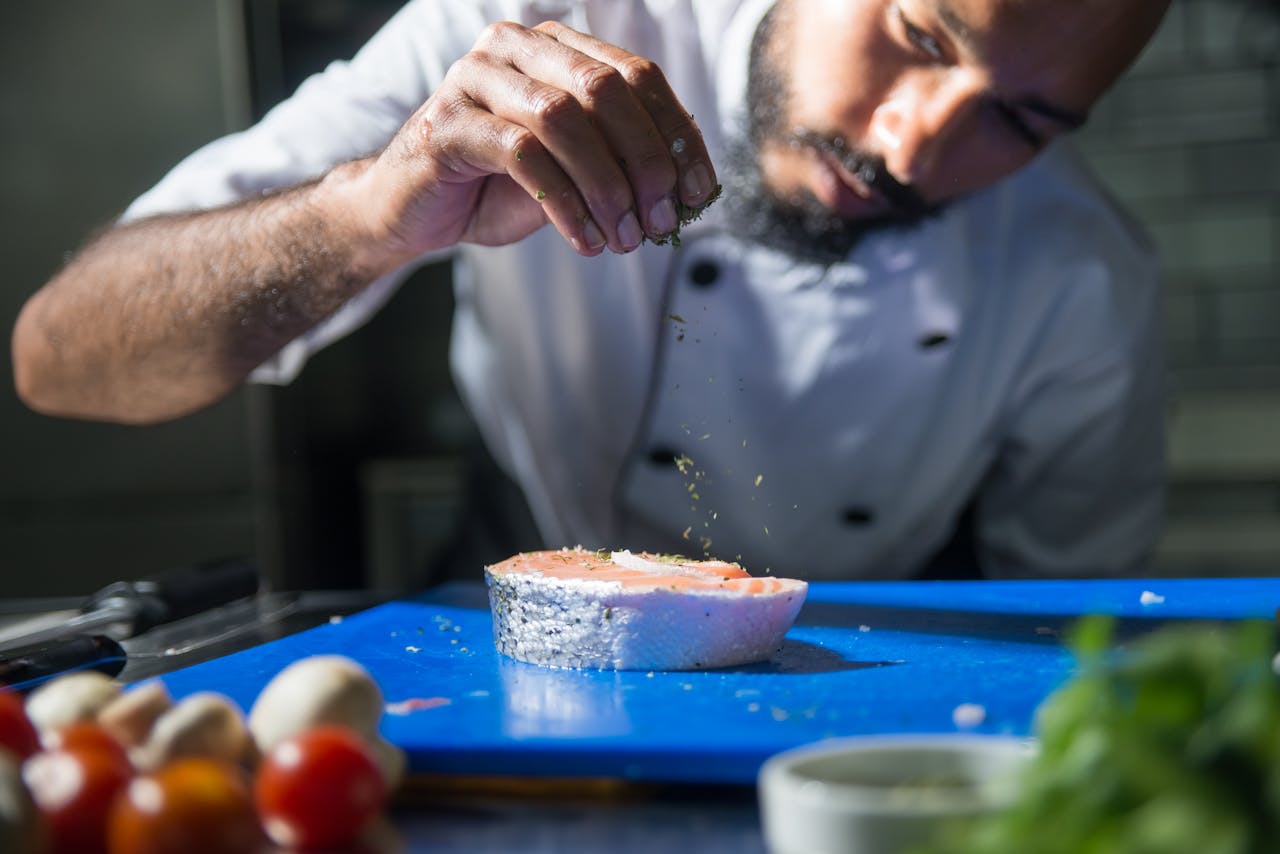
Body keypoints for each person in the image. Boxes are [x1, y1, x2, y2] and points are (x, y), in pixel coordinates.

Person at [12, 0, 1171, 581]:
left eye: (1022, 119)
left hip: (841, 678)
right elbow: (59, 355)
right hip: (506, 596)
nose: (915, 150)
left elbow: (1070, 635)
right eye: (920, 33)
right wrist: (362, 211)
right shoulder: (521, 33)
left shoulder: (1080, 276)